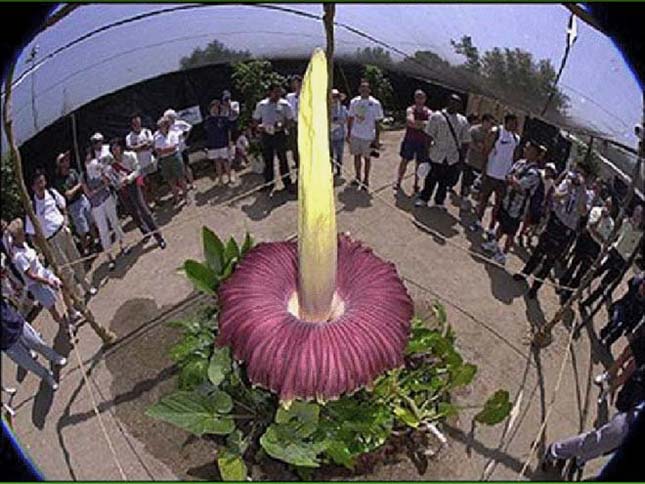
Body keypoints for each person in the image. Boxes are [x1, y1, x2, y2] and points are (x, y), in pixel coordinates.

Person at [513, 166, 589, 299]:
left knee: (550, 260)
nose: (577, 176)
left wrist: (581, 196)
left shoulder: (585, 194)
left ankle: (535, 287)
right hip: (555, 222)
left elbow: (583, 213)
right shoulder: (567, 183)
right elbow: (555, 197)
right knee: (539, 251)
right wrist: (567, 191)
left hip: (566, 229)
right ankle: (524, 273)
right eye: (576, 172)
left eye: (580, 174)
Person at [25, 170, 96, 300]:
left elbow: (63, 206)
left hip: (63, 231)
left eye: (42, 181)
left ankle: (87, 286)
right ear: (33, 187)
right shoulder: (32, 207)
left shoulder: (52, 193)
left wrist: (66, 222)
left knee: (77, 260)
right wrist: (42, 249)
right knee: (66, 271)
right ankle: (78, 297)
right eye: (38, 183)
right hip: (52, 241)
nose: (41, 185)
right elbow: (31, 233)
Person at [481, 141, 545, 266]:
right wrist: (513, 180)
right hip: (507, 200)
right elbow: (509, 175)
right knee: (501, 222)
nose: (525, 151)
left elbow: (520, 185)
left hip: (518, 206)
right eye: (526, 148)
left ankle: (504, 254)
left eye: (529, 149)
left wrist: (513, 181)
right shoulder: (520, 163)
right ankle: (494, 244)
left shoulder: (535, 173)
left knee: (511, 232)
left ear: (535, 154)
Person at [541, 400, 644, 476]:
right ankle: (555, 451)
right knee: (591, 443)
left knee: (601, 450)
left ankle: (578, 460)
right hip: (627, 425)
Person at [8, 218, 79, 327]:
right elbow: (30, 275)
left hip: (43, 272)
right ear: (17, 236)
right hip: (36, 284)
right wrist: (47, 281)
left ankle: (71, 311)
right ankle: (66, 326)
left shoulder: (24, 244)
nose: (24, 234)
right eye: (22, 232)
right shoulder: (18, 256)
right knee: (52, 307)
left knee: (62, 286)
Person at [414, 94, 471, 209]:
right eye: (453, 102)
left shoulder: (463, 121)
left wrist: (462, 158)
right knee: (431, 178)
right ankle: (424, 198)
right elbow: (428, 136)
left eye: (457, 103)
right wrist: (427, 153)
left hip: (452, 156)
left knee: (445, 181)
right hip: (436, 154)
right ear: (448, 102)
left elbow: (465, 141)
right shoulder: (436, 116)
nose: (455, 105)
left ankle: (439, 201)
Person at [108, 138, 166, 250]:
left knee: (143, 210)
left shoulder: (130, 155)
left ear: (121, 147)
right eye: (112, 149)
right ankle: (145, 232)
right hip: (121, 189)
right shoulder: (111, 163)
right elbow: (111, 176)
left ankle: (158, 237)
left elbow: (138, 169)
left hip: (132, 184)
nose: (115, 150)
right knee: (132, 212)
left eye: (116, 148)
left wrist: (129, 178)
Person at [469, 113, 521, 238]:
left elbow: (514, 157)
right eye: (513, 123)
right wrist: (484, 170)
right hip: (491, 173)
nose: (515, 126)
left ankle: (491, 226)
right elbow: (486, 151)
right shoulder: (496, 132)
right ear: (506, 122)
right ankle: (477, 221)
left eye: (516, 124)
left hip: (504, 178)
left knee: (498, 204)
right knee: (484, 199)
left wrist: (511, 173)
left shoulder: (516, 138)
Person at [583, 205, 643, 308]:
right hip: (614, 252)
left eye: (639, 215)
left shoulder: (641, 235)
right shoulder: (626, 223)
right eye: (635, 212)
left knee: (605, 283)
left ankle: (588, 302)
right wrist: (608, 246)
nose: (636, 216)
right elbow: (616, 235)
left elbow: (637, 253)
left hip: (623, 260)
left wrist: (631, 258)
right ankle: (581, 287)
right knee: (596, 271)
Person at [557, 197, 615, 304]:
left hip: (595, 247)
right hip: (585, 239)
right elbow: (591, 226)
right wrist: (600, 220)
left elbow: (605, 240)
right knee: (574, 263)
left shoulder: (611, 224)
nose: (606, 208)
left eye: (609, 206)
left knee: (581, 272)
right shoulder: (596, 210)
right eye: (606, 204)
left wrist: (597, 234)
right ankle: (562, 285)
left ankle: (567, 294)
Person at [1, 299, 67, 391]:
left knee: (38, 344)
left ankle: (55, 358)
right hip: (6, 344)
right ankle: (47, 376)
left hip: (16, 325)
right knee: (28, 363)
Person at [82, 155, 128, 271]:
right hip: (96, 206)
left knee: (115, 222)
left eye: (90, 158)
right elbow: (88, 194)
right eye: (86, 160)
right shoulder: (83, 176)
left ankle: (123, 244)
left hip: (107, 198)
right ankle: (109, 256)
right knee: (103, 231)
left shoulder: (99, 167)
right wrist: (98, 189)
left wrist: (101, 173)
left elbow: (108, 182)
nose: (89, 161)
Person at [252, 83, 295, 193]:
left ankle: (287, 183)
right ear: (269, 92)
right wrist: (258, 127)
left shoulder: (285, 105)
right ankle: (269, 184)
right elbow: (255, 119)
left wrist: (283, 126)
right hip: (266, 135)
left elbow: (291, 120)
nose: (277, 94)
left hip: (280, 135)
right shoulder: (262, 105)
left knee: (283, 160)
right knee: (268, 160)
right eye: (275, 92)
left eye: (279, 92)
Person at [53, 151, 95, 256]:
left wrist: (82, 189)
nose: (67, 162)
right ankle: (86, 250)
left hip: (82, 199)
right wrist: (78, 185)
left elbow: (82, 184)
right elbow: (68, 194)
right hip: (73, 205)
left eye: (67, 159)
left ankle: (95, 244)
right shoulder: (59, 181)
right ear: (60, 164)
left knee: (92, 222)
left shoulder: (73, 172)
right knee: (82, 230)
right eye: (64, 160)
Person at [347, 79, 384, 190]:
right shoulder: (354, 102)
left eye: (366, 88)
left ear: (369, 90)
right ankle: (357, 177)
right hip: (355, 134)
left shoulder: (375, 103)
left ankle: (366, 180)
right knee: (356, 156)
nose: (364, 90)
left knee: (367, 158)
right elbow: (350, 118)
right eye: (362, 88)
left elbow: (378, 122)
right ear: (359, 89)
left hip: (368, 136)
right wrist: (348, 133)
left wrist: (377, 138)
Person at [394, 89, 431, 194]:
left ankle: (416, 184)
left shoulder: (428, 111)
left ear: (424, 99)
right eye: (417, 97)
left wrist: (417, 124)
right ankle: (398, 181)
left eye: (421, 97)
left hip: (422, 142)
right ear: (415, 98)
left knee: (419, 164)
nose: (419, 100)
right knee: (404, 161)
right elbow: (410, 122)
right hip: (410, 140)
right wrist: (422, 125)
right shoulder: (410, 109)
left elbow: (429, 124)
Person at [595, 274, 644, 352]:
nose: (642, 291)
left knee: (620, 330)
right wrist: (639, 279)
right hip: (622, 306)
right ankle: (603, 334)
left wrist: (631, 328)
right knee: (615, 320)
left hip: (630, 316)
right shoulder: (635, 287)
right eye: (642, 287)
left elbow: (639, 316)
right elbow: (631, 281)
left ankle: (609, 342)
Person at [154, 115, 191, 206]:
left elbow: (174, 147)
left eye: (162, 125)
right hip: (164, 160)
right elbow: (157, 150)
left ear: (166, 126)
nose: (160, 128)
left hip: (174, 157)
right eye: (159, 126)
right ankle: (176, 197)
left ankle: (186, 196)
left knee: (181, 177)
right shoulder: (157, 136)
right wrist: (163, 150)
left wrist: (163, 150)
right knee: (170, 179)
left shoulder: (173, 134)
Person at [519, 161, 556, 247]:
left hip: (540, 203)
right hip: (532, 198)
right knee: (527, 219)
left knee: (535, 222)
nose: (548, 172)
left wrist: (546, 205)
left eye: (551, 171)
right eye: (548, 169)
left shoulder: (551, 182)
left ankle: (529, 235)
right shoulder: (539, 174)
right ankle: (521, 234)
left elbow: (549, 194)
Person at [460, 113, 494, 207]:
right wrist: (479, 148)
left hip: (482, 164)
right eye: (489, 122)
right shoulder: (474, 130)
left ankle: (476, 200)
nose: (490, 125)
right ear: (484, 121)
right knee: (467, 181)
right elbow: (469, 142)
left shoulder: (491, 134)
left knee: (478, 184)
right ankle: (464, 199)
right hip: (471, 161)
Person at [125, 114, 157, 208]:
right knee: (144, 185)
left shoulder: (147, 131)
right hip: (139, 165)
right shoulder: (129, 137)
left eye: (138, 122)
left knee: (153, 182)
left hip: (150, 161)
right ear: (132, 124)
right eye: (135, 123)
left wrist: (139, 147)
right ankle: (148, 204)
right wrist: (142, 146)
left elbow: (151, 143)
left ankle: (156, 199)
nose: (137, 125)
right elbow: (130, 148)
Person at [204, 99, 234, 186]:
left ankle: (229, 177)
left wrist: (229, 141)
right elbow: (206, 133)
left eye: (217, 108)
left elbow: (228, 131)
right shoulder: (207, 120)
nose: (215, 110)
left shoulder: (223, 119)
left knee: (226, 161)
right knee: (217, 162)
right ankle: (220, 179)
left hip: (223, 143)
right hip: (213, 145)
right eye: (213, 108)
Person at [164, 109, 194, 190]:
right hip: (174, 151)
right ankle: (184, 186)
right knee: (179, 170)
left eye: (170, 117)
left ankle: (192, 183)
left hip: (182, 148)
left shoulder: (179, 123)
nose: (169, 119)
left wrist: (185, 137)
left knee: (186, 166)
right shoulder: (166, 127)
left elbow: (189, 127)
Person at [330, 88, 349, 177]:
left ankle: (339, 170)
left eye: (336, 97)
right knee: (330, 155)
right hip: (330, 135)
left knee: (339, 154)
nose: (335, 99)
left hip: (340, 134)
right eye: (333, 97)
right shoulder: (326, 109)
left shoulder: (343, 108)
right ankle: (330, 170)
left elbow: (346, 119)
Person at [286, 75, 302, 169]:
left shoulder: (307, 95)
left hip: (303, 124)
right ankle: (297, 162)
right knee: (294, 146)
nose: (294, 84)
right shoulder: (289, 97)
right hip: (293, 123)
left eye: (296, 82)